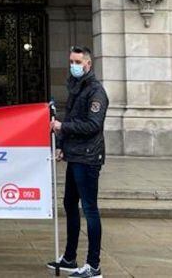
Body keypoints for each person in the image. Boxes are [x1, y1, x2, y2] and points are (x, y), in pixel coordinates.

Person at [47, 46, 107, 278]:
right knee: (69, 204)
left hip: (89, 157)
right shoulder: (76, 88)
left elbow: (93, 125)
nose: (74, 66)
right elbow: (72, 118)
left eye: (78, 62)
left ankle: (93, 265)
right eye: (72, 61)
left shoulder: (96, 92)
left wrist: (63, 127)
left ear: (88, 65)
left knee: (90, 209)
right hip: (75, 156)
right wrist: (62, 145)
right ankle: (70, 258)